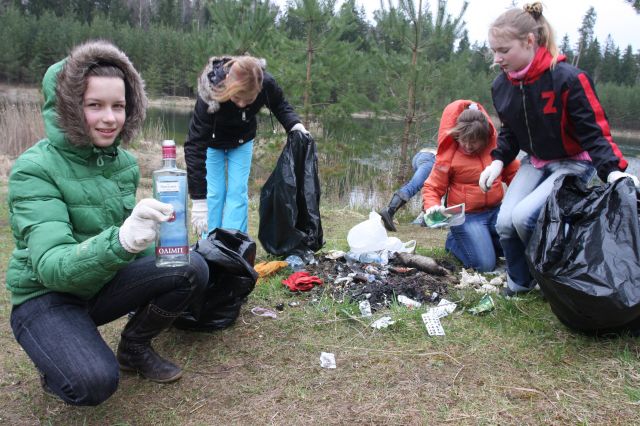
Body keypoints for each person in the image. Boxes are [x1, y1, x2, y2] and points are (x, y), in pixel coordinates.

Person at [6, 40, 209, 406]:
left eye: (118, 106)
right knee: (93, 384)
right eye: (94, 105)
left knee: (190, 266)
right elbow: (53, 267)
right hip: (46, 296)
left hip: (99, 284)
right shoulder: (33, 169)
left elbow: (134, 242)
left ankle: (134, 347)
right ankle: (57, 354)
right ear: (69, 107)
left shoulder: (123, 164)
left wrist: (164, 243)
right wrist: (123, 241)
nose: (110, 118)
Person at [482, 2, 639, 296]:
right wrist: (498, 161)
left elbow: (595, 132)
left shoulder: (568, 78)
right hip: (536, 161)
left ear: (529, 41)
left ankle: (551, 283)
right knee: (504, 222)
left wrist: (614, 172)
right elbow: (510, 131)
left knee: (525, 218)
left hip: (574, 162)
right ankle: (520, 283)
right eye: (493, 50)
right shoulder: (502, 85)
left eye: (504, 50)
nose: (497, 58)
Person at [185, 55, 307, 236]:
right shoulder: (210, 91)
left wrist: (294, 125)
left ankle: (233, 243)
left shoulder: (265, 83)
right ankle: (209, 244)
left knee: (237, 193)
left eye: (248, 101)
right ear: (227, 83)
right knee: (214, 195)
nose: (242, 104)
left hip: (242, 140)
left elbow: (280, 104)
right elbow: (195, 145)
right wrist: (198, 200)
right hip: (212, 143)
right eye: (237, 98)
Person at [422, 100, 519, 272]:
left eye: (474, 141)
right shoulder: (449, 155)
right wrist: (432, 207)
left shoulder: (498, 150)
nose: (467, 145)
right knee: (485, 265)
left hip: (496, 211)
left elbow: (514, 176)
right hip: (467, 216)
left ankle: (482, 241)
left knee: (517, 251)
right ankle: (453, 242)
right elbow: (432, 188)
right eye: (463, 139)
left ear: (485, 137)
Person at [379, 148, 436, 232]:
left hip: (419, 156)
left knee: (427, 187)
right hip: (431, 158)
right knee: (414, 186)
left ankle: (426, 219)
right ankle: (389, 212)